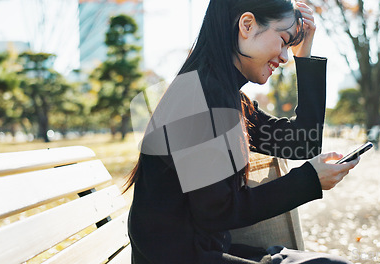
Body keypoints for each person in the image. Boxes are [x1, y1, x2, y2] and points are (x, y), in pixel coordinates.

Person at [125, 1, 359, 263]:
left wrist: (304, 56)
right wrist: (309, 180)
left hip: (204, 250)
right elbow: (217, 211)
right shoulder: (199, 97)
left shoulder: (226, 95)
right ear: (247, 25)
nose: (284, 57)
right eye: (283, 41)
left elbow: (301, 143)